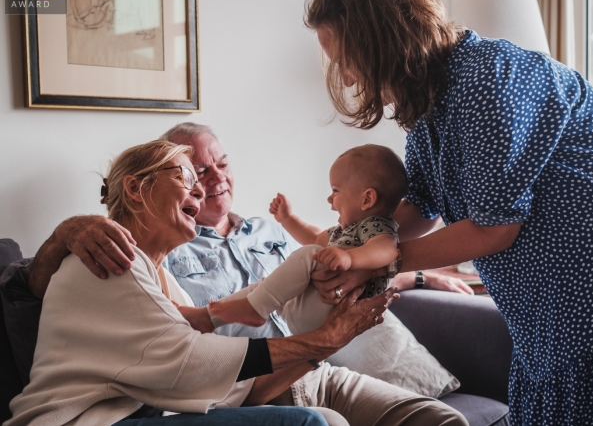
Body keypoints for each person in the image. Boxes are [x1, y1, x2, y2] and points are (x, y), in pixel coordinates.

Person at [303, 0, 593, 425]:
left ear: (377, 38)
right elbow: (420, 206)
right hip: (565, 279)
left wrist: (381, 262)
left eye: (345, 58)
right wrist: (351, 247)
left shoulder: (484, 82)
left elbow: (494, 229)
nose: (347, 79)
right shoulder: (429, 107)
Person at [26, 125, 470, 426]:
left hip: (296, 372)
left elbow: (346, 262)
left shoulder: (183, 266)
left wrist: (415, 281)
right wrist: (326, 340)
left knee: (443, 420)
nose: (205, 186)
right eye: (190, 174)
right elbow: (191, 361)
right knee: (320, 423)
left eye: (219, 164)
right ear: (136, 189)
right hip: (125, 412)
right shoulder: (109, 255)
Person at [207, 144, 407, 335]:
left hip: (331, 313)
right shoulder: (346, 232)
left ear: (367, 200)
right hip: (306, 309)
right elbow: (315, 237)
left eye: (335, 191)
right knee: (268, 283)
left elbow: (387, 250)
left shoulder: (377, 225)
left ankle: (255, 309)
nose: (330, 199)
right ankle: (208, 316)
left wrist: (351, 258)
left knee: (310, 254)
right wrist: (287, 219)